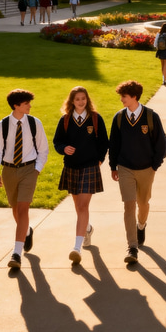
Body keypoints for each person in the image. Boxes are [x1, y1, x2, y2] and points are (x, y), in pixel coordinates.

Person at [0, 89, 49, 270]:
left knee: (23, 208)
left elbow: (43, 149)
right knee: (15, 209)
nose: (30, 106)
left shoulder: (35, 123)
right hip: (9, 171)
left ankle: (16, 253)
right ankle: (26, 231)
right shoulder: (2, 126)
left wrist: (37, 170)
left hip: (29, 169)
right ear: (16, 105)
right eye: (26, 103)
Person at [109, 80, 166, 266]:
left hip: (146, 169)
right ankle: (132, 247)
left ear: (134, 97)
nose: (121, 99)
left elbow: (162, 142)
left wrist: (155, 165)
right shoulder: (119, 118)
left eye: (124, 96)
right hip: (125, 168)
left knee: (143, 203)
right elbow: (114, 144)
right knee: (129, 206)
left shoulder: (151, 117)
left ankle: (141, 225)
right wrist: (113, 166)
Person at [53, 85, 109, 265]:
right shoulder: (65, 120)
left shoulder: (95, 118)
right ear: (71, 101)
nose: (81, 102)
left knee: (83, 206)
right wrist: (63, 149)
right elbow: (57, 142)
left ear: (87, 99)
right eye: (77, 99)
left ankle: (76, 248)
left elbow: (104, 142)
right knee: (79, 207)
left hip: (90, 167)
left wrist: (99, 160)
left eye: (83, 98)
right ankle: (88, 228)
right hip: (71, 167)